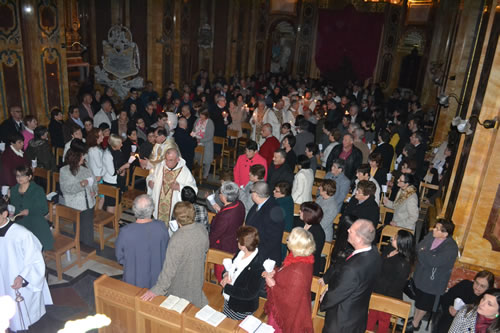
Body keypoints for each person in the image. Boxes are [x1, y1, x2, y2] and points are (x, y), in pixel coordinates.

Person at [141, 202, 209, 308]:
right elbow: (205, 248)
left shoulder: (177, 238)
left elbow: (169, 270)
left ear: (176, 219)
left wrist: (156, 290)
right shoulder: (201, 229)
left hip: (180, 286)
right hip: (197, 279)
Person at [320, 219, 382, 333]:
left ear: (359, 238)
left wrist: (324, 298)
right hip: (358, 316)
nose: (348, 230)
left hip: (341, 322)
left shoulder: (352, 269)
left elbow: (337, 294)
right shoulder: (374, 253)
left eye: (351, 230)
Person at [0, 198, 53, 332]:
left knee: (18, 318)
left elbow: (36, 261)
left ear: (4, 214)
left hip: (16, 280)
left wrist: (22, 277)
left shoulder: (22, 234)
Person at [407, 220, 459, 332]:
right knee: (418, 300)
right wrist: (426, 255)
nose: (433, 229)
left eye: (437, 228)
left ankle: (415, 324)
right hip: (421, 275)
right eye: (435, 227)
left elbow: (434, 262)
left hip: (433, 282)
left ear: (445, 234)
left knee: (424, 304)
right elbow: (419, 247)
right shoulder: (431, 235)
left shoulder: (451, 248)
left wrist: (424, 253)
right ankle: (415, 318)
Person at [263, 227, 315, 332]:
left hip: (287, 314)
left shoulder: (298, 271)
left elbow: (289, 300)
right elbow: (286, 273)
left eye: (289, 239)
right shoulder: (300, 257)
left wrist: (272, 285)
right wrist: (275, 271)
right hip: (286, 308)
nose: (287, 241)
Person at [115, 195, 170, 288]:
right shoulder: (161, 227)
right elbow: (166, 249)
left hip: (134, 279)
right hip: (157, 278)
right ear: (152, 210)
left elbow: (119, 257)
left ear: (134, 210)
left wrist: (133, 262)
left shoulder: (126, 232)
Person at [366, 230, 415, 333]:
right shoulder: (390, 248)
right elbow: (380, 263)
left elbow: (397, 285)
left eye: (396, 238)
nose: (393, 238)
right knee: (371, 315)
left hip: (389, 295)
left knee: (383, 319)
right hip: (377, 288)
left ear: (401, 243)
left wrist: (382, 298)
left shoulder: (403, 263)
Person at [220, 226, 264, 320]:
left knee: (233, 328)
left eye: (238, 240)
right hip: (230, 300)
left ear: (244, 245)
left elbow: (249, 293)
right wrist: (226, 274)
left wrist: (227, 287)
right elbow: (231, 267)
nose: (237, 241)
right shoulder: (240, 252)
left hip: (241, 307)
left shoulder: (257, 266)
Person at [8, 166, 54, 251]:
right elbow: (13, 207)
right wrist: (11, 214)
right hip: (20, 222)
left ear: (29, 177)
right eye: (17, 176)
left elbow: (44, 209)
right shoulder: (14, 190)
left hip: (35, 222)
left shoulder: (37, 190)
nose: (19, 178)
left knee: (35, 247)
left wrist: (29, 211)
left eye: (23, 176)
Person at [147, 148, 197, 224]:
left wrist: (180, 187)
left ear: (177, 159)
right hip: (158, 204)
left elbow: (193, 190)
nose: (167, 162)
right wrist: (150, 182)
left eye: (170, 160)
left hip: (174, 206)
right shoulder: (160, 166)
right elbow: (152, 176)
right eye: (166, 159)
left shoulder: (185, 171)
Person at [60, 148, 98, 247]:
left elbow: (94, 182)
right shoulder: (64, 171)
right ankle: (79, 246)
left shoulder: (86, 168)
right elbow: (66, 189)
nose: (83, 158)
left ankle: (88, 247)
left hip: (89, 202)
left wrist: (94, 191)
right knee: (78, 227)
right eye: (81, 157)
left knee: (88, 228)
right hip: (75, 204)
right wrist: (80, 184)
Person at [209, 181, 246, 281]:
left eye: (220, 193)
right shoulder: (239, 204)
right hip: (235, 241)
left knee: (221, 273)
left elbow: (215, 234)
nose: (219, 194)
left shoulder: (225, 216)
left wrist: (207, 245)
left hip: (224, 247)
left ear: (224, 197)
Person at [245, 181, 285, 266]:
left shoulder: (275, 210)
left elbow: (272, 240)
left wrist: (253, 255)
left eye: (252, 192)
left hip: (264, 258)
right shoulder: (259, 204)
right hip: (253, 251)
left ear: (256, 194)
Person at [295, 202, 325, 276]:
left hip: (308, 267)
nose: (299, 212)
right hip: (296, 261)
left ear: (308, 215)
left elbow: (311, 253)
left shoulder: (318, 233)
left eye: (301, 211)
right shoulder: (300, 223)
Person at [102, 134, 130, 213]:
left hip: (118, 180)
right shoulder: (108, 154)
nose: (122, 144)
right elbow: (112, 173)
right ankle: (110, 223)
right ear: (115, 145)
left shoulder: (117, 151)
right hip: (110, 182)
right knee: (111, 203)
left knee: (117, 202)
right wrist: (124, 167)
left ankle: (116, 220)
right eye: (120, 143)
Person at [191, 110, 214, 179]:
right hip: (197, 142)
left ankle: (205, 174)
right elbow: (194, 129)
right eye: (200, 114)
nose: (200, 116)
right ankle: (197, 173)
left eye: (202, 115)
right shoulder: (197, 120)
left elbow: (210, 136)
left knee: (206, 160)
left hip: (206, 144)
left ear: (206, 115)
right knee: (197, 159)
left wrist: (201, 140)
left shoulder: (210, 122)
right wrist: (193, 135)